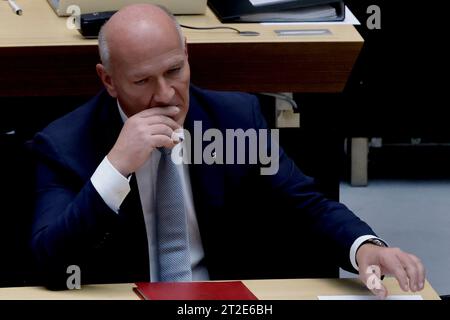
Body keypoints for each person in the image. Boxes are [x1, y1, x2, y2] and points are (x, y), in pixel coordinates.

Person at [31, 4, 425, 298]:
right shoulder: (65, 145)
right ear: (109, 81)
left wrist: (366, 248)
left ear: (187, 54)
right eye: (142, 81)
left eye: (174, 71)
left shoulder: (236, 119)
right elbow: (50, 261)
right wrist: (116, 168)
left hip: (220, 303)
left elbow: (306, 206)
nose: (166, 95)